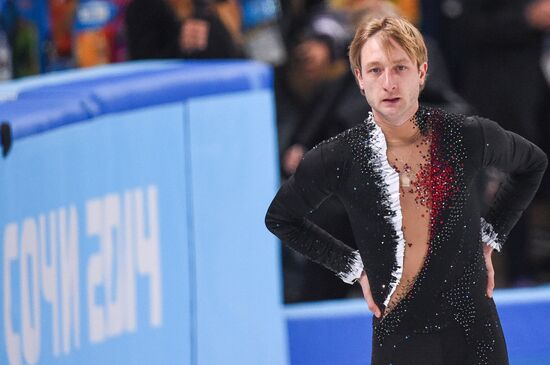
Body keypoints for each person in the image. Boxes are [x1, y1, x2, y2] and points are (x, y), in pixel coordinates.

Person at [264, 16, 547, 364]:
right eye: (375, 70)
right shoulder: (338, 156)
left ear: (422, 72)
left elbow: (532, 163)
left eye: (400, 68)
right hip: (399, 344)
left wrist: (490, 237)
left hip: (476, 338)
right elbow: (281, 217)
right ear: (359, 79)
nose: (389, 83)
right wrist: (355, 268)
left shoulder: (465, 134)